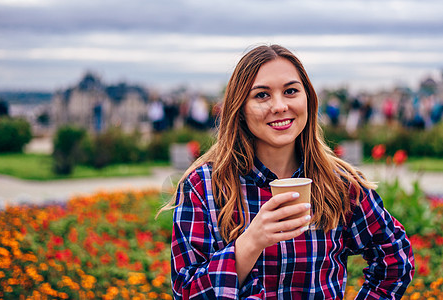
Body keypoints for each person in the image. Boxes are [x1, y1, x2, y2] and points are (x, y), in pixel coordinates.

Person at [161, 45, 414, 299]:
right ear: (240, 109)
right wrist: (250, 243)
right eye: (262, 95)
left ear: (308, 99)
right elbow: (185, 291)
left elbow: (395, 260)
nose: (280, 106)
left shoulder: (339, 183)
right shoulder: (203, 185)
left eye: (291, 91)